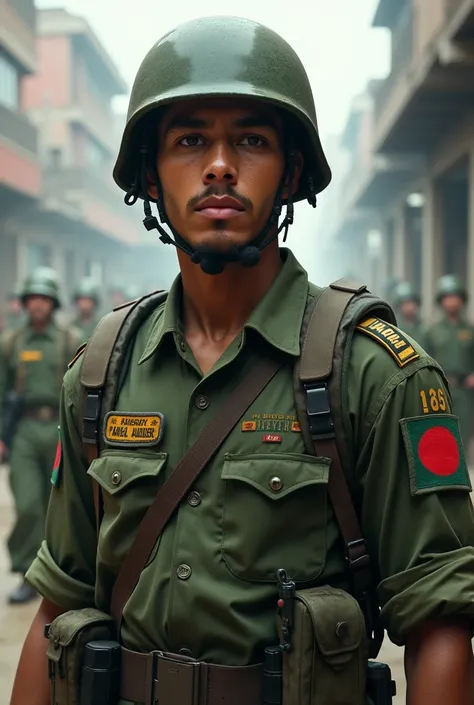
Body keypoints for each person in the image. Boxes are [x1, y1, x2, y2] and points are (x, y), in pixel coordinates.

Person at [11, 17, 474, 705]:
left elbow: (439, 626)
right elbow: (57, 608)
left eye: (251, 140)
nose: (220, 164)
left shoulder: (376, 373)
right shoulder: (103, 369)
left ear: (289, 172)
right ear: (150, 172)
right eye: (190, 139)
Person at [0, 267, 79, 605]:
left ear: (53, 303)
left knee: (59, 509)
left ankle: (56, 576)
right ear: (24, 303)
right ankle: (24, 572)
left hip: (62, 429)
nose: (37, 305)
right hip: (24, 432)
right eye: (32, 298)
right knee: (29, 504)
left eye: (43, 299)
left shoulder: (69, 339)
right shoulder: (11, 343)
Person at [424, 274, 474, 446]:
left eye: (456, 297)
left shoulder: (469, 329)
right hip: (441, 390)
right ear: (441, 301)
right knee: (443, 434)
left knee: (464, 434)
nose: (452, 302)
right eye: (448, 297)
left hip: (466, 392)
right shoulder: (431, 331)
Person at [393, 281, 424, 346]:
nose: (409, 307)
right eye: (405, 304)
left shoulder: (423, 327)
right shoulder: (394, 327)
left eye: (411, 303)